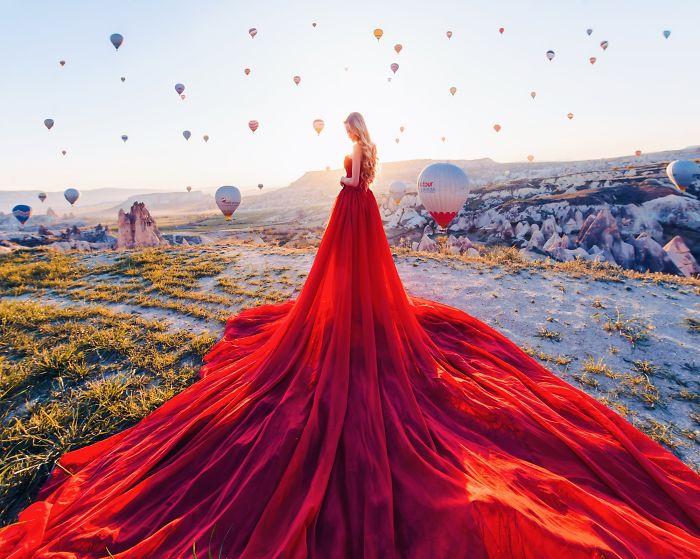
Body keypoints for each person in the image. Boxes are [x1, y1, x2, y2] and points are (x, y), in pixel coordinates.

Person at [1, 112, 699, 558]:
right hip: (354, 224)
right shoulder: (364, 166)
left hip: (352, 222)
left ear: (358, 138)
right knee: (353, 304)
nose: (351, 136)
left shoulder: (361, 168)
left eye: (353, 132)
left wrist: (352, 178)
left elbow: (356, 184)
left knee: (339, 330)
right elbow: (358, 184)